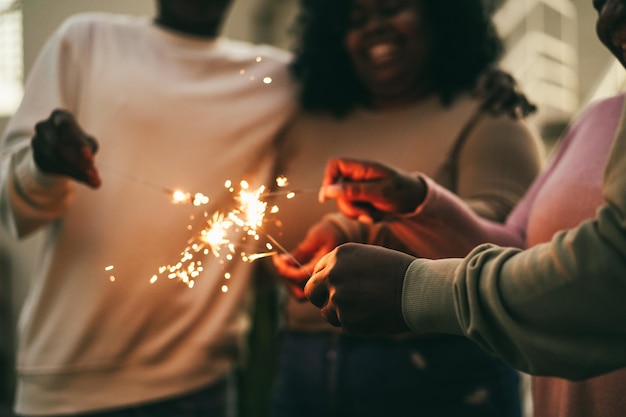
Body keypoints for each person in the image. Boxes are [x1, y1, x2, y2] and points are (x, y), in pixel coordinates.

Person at [303, 0, 626, 415]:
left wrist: (411, 289)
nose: (608, 15)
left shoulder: (489, 112)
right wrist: (415, 203)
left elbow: (608, 281)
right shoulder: (596, 118)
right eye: (598, 2)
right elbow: (518, 251)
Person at [0, 0, 297, 415]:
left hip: (200, 384)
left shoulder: (279, 79)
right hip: (68, 384)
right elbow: (14, 210)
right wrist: (42, 166)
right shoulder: (86, 42)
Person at [264, 0, 543, 415]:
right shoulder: (304, 117)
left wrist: (355, 230)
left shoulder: (490, 111)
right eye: (355, 19)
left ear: (438, 16)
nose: (374, 28)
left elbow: (499, 237)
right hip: (303, 369)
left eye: (390, 9)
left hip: (438, 375)